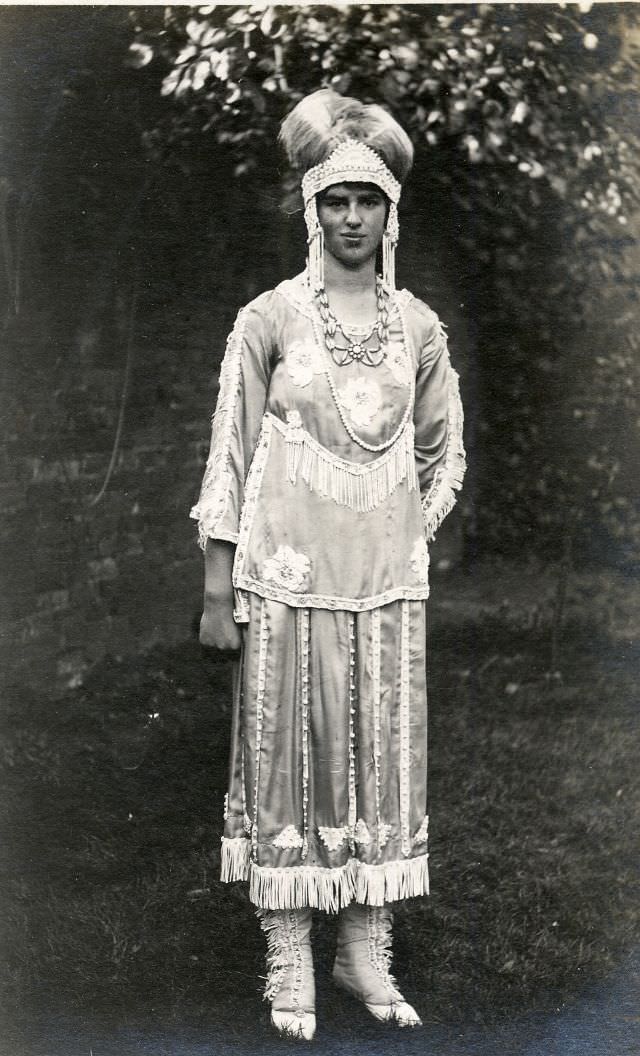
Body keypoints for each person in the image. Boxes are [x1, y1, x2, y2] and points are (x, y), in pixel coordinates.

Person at [191, 89, 466, 1041]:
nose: (354, 217)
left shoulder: (420, 330)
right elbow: (229, 450)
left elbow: (438, 451)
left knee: (378, 764)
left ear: (392, 213)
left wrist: (396, 532)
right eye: (337, 200)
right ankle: (290, 955)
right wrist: (220, 585)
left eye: (370, 200)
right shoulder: (268, 319)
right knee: (290, 759)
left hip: (383, 590)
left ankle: (362, 951)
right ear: (314, 209)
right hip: (284, 581)